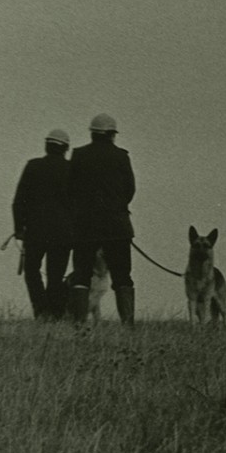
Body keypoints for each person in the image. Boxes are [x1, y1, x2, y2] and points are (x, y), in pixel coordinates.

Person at [67, 113, 137, 328]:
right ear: (111, 135)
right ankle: (127, 324)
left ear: (93, 133)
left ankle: (79, 323)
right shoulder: (122, 156)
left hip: (85, 227)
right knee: (122, 276)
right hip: (117, 226)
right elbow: (130, 189)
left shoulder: (78, 155)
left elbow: (70, 190)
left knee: (81, 275)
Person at [12, 129, 73, 321]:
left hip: (35, 231)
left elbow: (18, 201)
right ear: (65, 148)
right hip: (63, 233)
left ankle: (41, 311)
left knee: (31, 272)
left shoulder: (33, 166)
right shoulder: (72, 169)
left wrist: (19, 228)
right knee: (56, 276)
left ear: (47, 146)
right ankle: (55, 313)